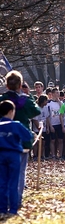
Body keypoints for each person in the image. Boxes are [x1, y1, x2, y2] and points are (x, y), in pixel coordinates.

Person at [0, 71, 40, 208]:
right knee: (20, 172)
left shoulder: (2, 99)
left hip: (3, 142)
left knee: (3, 173)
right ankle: (16, 201)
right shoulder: (25, 100)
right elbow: (36, 111)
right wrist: (29, 97)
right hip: (21, 140)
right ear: (19, 84)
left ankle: (4, 202)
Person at [0, 100, 33, 216]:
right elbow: (27, 136)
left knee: (2, 182)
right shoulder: (16, 125)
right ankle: (13, 210)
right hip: (14, 155)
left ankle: (2, 209)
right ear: (11, 111)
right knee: (13, 182)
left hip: (1, 155)